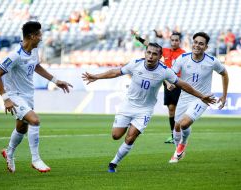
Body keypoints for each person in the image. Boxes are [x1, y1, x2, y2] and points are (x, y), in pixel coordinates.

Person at [82, 42, 216, 173]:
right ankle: (121, 146)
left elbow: (182, 84)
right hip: (128, 105)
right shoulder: (135, 64)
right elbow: (115, 72)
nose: (151, 56)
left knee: (130, 137)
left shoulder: (164, 71)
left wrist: (201, 96)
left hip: (144, 110)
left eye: (154, 54)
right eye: (149, 52)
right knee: (116, 136)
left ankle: (113, 163)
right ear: (145, 53)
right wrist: (96, 77)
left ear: (159, 57)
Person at [0, 21, 73, 173]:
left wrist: (56, 81)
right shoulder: (15, 55)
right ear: (31, 36)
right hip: (15, 96)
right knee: (35, 120)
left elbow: (36, 66)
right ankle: (36, 159)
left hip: (28, 95)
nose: (41, 38)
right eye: (39, 35)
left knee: (22, 128)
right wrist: (6, 98)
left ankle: (9, 152)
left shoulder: (34, 51)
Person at [169, 32, 229, 163]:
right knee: (177, 127)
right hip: (184, 97)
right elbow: (171, 75)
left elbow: (224, 74)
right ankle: (178, 151)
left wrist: (224, 96)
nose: (197, 45)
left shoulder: (212, 61)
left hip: (203, 99)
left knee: (184, 124)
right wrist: (170, 84)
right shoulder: (183, 58)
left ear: (206, 47)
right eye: (195, 42)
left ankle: (182, 145)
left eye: (201, 43)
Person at [131, 30, 186, 144]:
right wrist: (138, 38)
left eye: (176, 40)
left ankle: (179, 134)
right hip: (167, 83)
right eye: (172, 40)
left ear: (180, 42)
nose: (174, 42)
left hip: (177, 83)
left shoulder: (183, 54)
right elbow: (148, 45)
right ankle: (173, 135)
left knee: (178, 110)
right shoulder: (164, 51)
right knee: (171, 110)